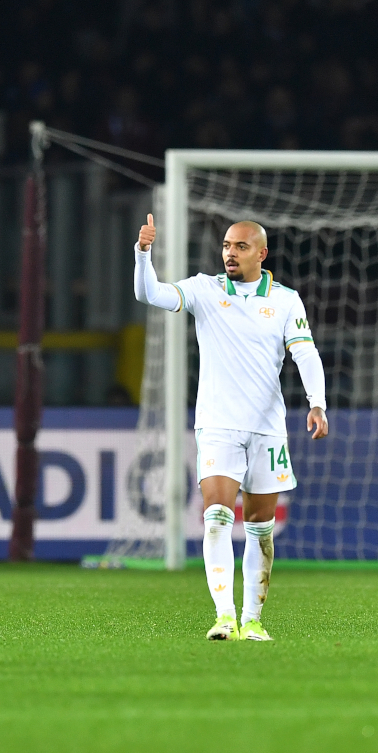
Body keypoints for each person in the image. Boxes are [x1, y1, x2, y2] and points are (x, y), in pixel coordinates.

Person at [134, 214, 328, 641]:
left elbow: (306, 355)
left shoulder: (285, 300)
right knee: (217, 516)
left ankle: (253, 619)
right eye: (226, 245)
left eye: (240, 247)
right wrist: (143, 253)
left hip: (267, 429)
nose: (229, 253)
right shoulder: (206, 289)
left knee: (260, 526)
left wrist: (318, 403)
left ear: (262, 254)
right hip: (218, 425)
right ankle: (224, 616)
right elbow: (151, 294)